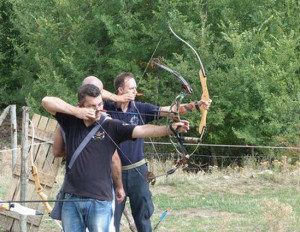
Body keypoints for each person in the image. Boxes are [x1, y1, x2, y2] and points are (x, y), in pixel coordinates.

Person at [42, 83, 189, 232]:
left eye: (100, 103)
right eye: (92, 106)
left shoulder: (111, 125)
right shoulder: (70, 121)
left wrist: (169, 129)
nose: (98, 108)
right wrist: (76, 112)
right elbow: (46, 101)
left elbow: (142, 130)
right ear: (82, 106)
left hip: (100, 200)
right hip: (71, 198)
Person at [104, 72, 211, 232]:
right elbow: (91, 90)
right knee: (110, 220)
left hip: (138, 172)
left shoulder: (140, 108)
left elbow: (170, 110)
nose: (134, 91)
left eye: (135, 88)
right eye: (131, 88)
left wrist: (196, 105)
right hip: (112, 173)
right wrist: (115, 99)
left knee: (143, 217)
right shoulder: (105, 109)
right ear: (120, 90)